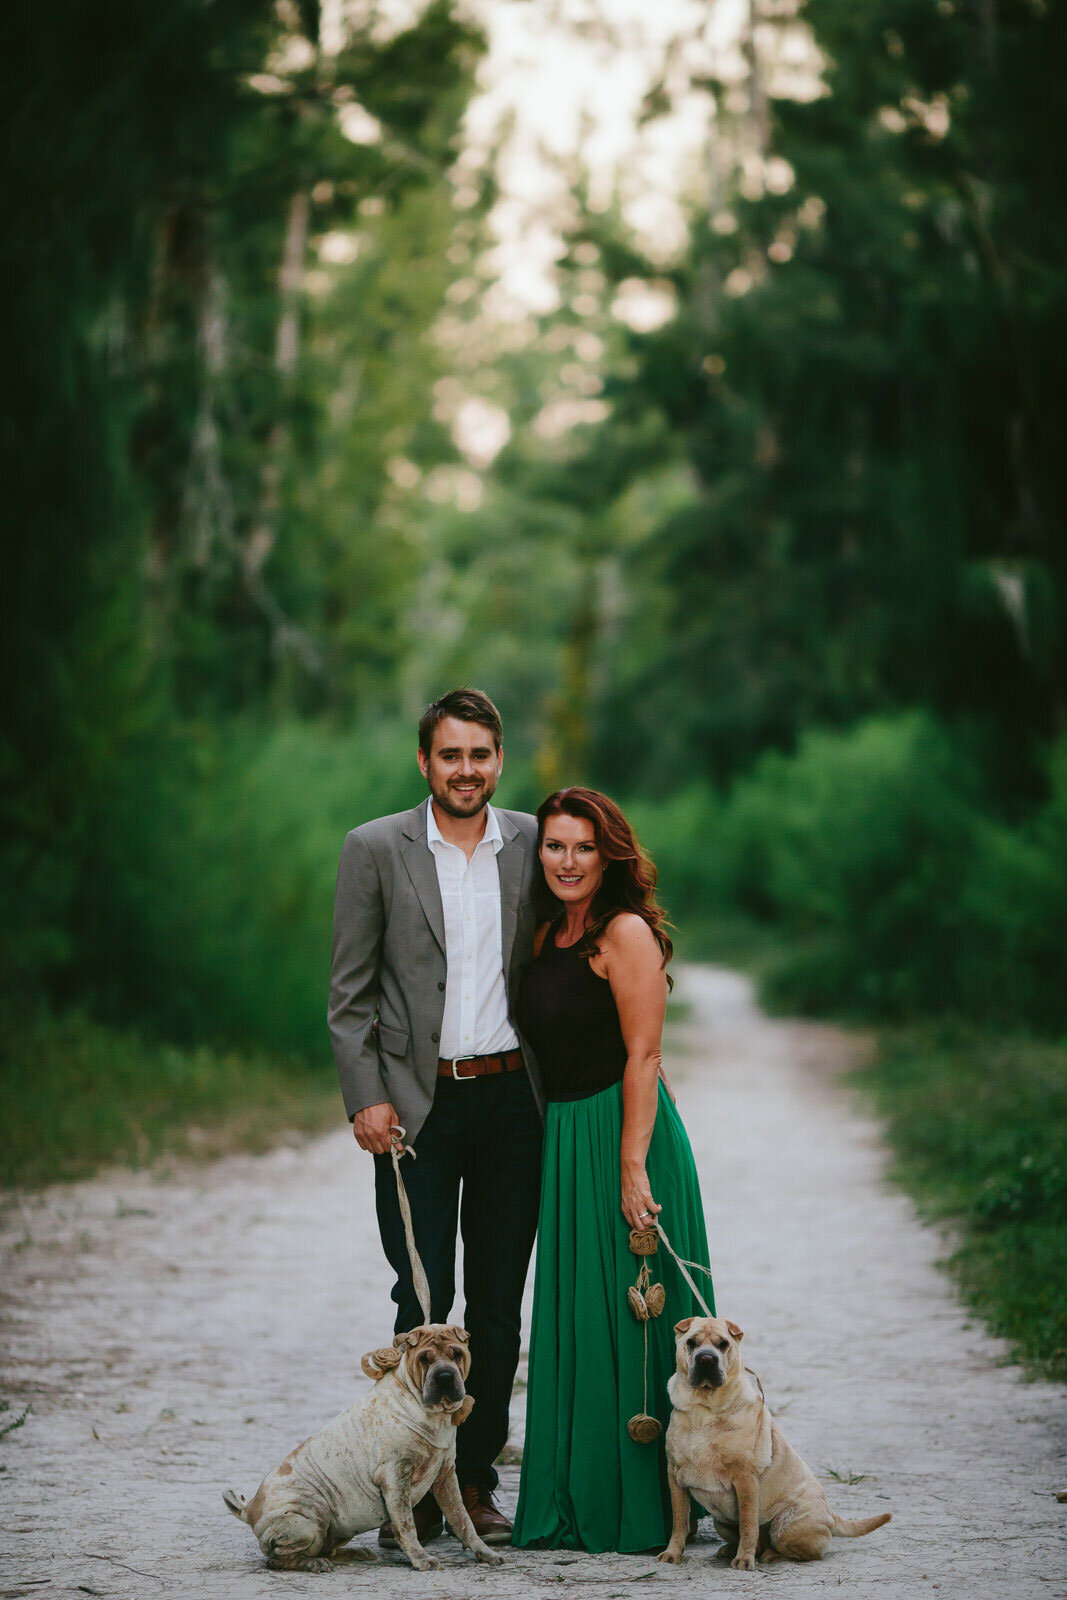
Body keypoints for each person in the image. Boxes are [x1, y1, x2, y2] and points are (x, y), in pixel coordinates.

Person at [328, 688, 544, 1548]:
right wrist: (365, 1095)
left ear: (499, 759)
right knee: (421, 1298)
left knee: (495, 1304)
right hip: (416, 1108)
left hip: (511, 1104)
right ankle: (409, 1487)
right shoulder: (375, 848)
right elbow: (349, 995)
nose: (466, 770)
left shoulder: (531, 842)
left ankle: (478, 1482)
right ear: (425, 762)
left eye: (480, 754)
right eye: (450, 755)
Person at [512, 787, 714, 1555]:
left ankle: (646, 1509)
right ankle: (574, 1495)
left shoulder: (624, 932)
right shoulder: (544, 936)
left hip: (623, 1133)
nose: (567, 862)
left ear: (609, 855)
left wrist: (632, 1164)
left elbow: (644, 1054)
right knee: (575, 1319)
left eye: (584, 848)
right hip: (564, 1136)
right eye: (555, 846)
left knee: (634, 1317)